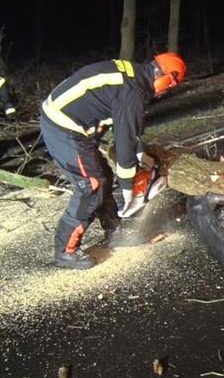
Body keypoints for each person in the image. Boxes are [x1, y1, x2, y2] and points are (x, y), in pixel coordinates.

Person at [40, 53, 187, 269]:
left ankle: (113, 230)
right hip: (63, 127)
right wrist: (128, 188)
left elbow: (125, 127)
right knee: (91, 186)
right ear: (166, 78)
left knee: (104, 177)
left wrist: (140, 154)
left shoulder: (135, 77)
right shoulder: (133, 93)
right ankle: (65, 252)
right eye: (169, 87)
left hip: (74, 125)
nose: (164, 92)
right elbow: (124, 140)